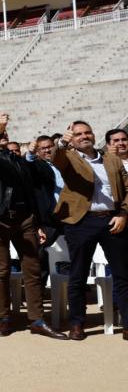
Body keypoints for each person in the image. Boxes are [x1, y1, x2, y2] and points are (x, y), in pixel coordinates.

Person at [0, 115, 67, 339]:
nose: (3, 132)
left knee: (32, 269)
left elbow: (29, 191)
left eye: (3, 129)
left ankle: (36, 319)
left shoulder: (16, 158)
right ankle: (4, 318)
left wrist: (38, 223)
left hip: (24, 218)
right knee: (2, 270)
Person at [52, 121, 128, 340]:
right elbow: (57, 158)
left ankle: (127, 324)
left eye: (87, 132)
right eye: (78, 134)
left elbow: (127, 188)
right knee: (78, 274)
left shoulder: (111, 159)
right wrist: (62, 143)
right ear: (73, 139)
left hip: (112, 220)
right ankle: (77, 323)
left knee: (123, 274)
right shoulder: (69, 157)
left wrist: (123, 214)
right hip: (81, 222)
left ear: (94, 135)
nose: (84, 136)